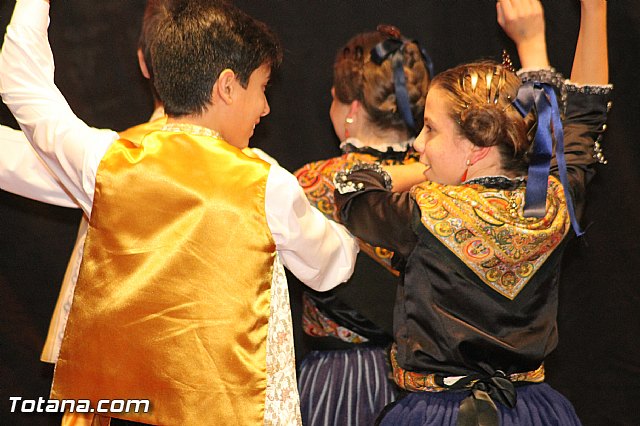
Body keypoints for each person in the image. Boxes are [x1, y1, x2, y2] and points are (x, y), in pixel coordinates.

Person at [0, 0, 358, 425]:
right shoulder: (265, 182)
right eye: (262, 88)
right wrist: (351, 234)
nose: (265, 108)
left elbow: (24, 86)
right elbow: (330, 267)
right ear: (227, 86)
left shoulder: (109, 161)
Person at [333, 0, 611, 424]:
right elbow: (583, 120)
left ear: (477, 146)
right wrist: (594, 13)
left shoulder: (425, 212)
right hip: (532, 412)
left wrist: (421, 173)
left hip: (436, 415)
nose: (418, 143)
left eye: (430, 129)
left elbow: (352, 190)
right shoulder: (552, 203)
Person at [293, 26, 431, 426]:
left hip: (341, 383)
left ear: (350, 107)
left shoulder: (312, 184)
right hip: (430, 385)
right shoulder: (444, 178)